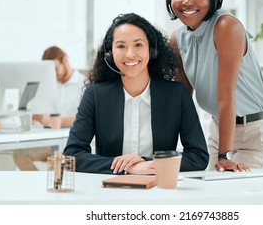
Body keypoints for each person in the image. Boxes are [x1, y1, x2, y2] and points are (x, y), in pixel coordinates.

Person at [165, 0, 263, 172]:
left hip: (254, 136)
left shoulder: (226, 26)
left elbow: (226, 97)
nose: (187, 1)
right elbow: (182, 101)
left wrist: (224, 156)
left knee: (232, 196)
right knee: (205, 195)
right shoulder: (178, 39)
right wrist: (165, 150)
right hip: (218, 130)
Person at [63, 13, 209, 174]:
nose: (130, 54)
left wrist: (149, 164)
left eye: (138, 45)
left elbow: (198, 156)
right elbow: (71, 155)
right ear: (109, 54)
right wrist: (127, 168)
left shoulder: (176, 95)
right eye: (121, 46)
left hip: (159, 188)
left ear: (151, 50)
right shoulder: (95, 95)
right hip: (110, 190)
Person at [13, 46, 86, 171]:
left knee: (56, 163)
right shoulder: (50, 84)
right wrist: (35, 115)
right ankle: (37, 188)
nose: (54, 73)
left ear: (65, 60)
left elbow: (85, 120)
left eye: (56, 68)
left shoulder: (84, 84)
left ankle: (52, 186)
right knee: (19, 155)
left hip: (71, 142)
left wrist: (52, 120)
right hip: (51, 139)